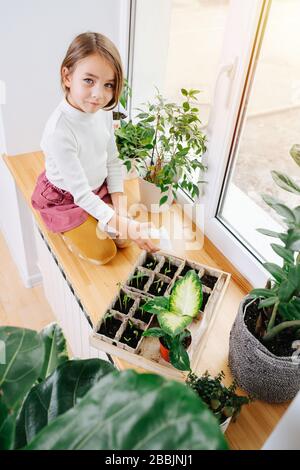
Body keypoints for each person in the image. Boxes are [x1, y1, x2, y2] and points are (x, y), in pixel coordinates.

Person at [31, 32, 159, 265]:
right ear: (67, 76)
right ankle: (66, 226)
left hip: (96, 188)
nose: (99, 94)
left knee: (124, 240)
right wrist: (126, 223)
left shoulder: (103, 111)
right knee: (104, 254)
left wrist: (120, 208)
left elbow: (112, 159)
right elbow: (80, 194)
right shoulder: (59, 130)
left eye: (108, 84)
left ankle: (106, 219)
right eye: (89, 80)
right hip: (67, 198)